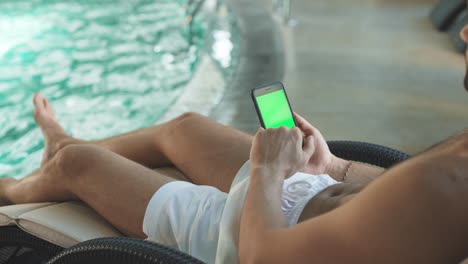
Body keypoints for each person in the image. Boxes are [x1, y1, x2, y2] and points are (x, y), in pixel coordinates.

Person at [1, 26, 468, 264]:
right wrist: (339, 167)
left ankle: (12, 187)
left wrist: (267, 170)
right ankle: (59, 143)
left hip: (255, 234)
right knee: (184, 127)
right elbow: (404, 209)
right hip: (309, 193)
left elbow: (261, 258)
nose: (464, 32)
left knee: (80, 165)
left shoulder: (450, 185)